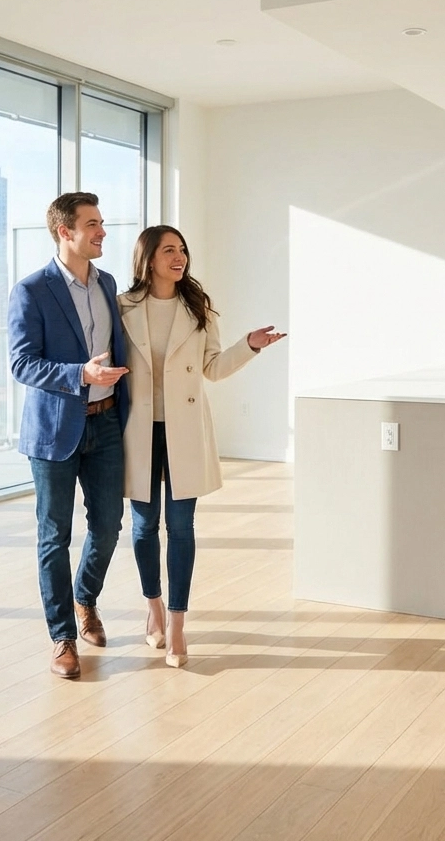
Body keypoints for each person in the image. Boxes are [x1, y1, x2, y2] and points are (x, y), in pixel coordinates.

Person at [118, 225, 285, 667]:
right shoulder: (123, 307)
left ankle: (177, 624)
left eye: (182, 250)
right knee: (143, 527)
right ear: (148, 258)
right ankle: (153, 608)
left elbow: (212, 368)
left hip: (184, 429)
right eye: (169, 250)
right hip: (138, 429)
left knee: (181, 528)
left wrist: (249, 346)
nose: (179, 257)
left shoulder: (198, 307)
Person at [7, 192, 130, 679]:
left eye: (101, 222)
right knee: (54, 535)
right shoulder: (32, 290)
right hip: (55, 431)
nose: (102, 231)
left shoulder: (108, 283)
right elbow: (22, 363)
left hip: (107, 422)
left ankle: (85, 598)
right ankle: (62, 637)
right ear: (65, 231)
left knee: (108, 525)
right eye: (92, 223)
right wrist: (80, 374)